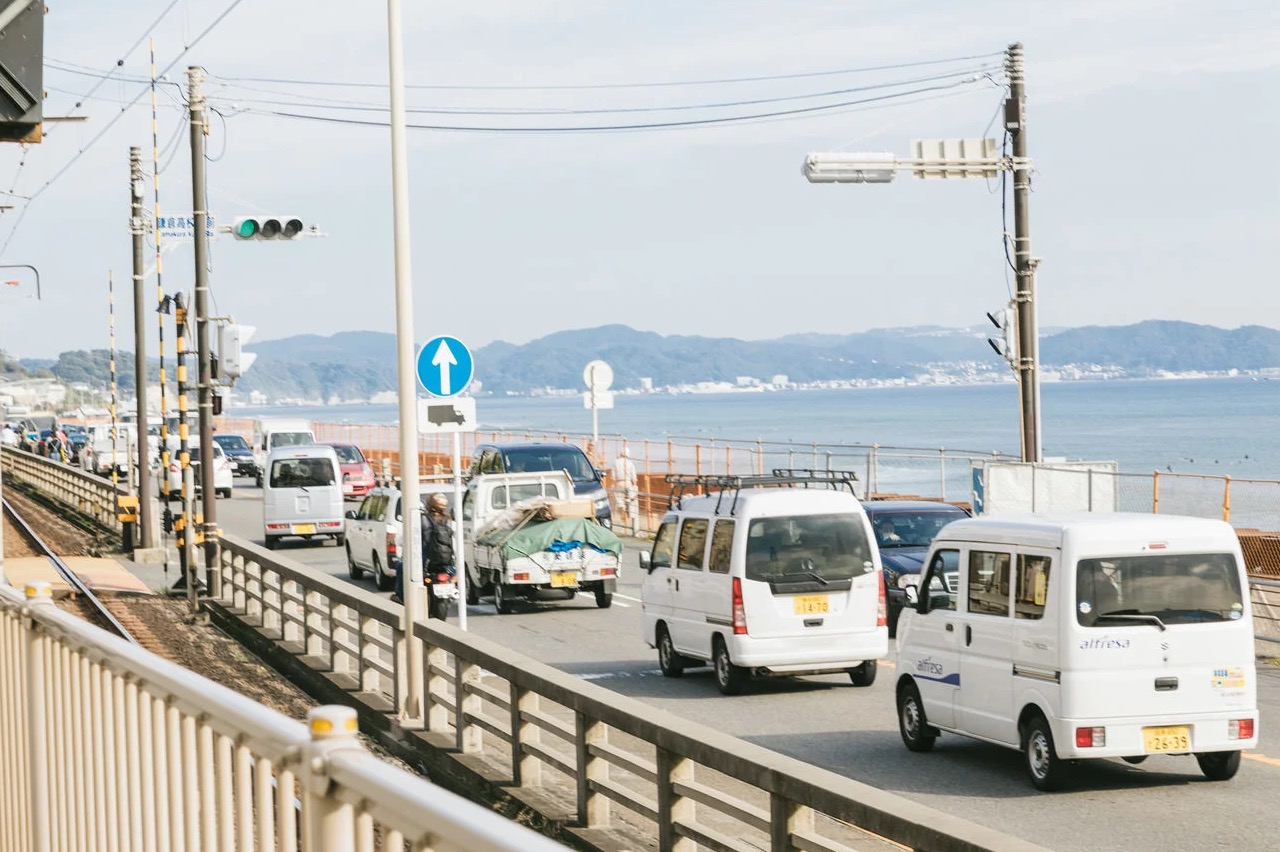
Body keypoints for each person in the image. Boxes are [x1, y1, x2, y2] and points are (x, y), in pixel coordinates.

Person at [392, 492, 455, 605]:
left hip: (424, 563)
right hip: (446, 563)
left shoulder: (422, 520)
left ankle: (402, 598)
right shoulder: (448, 521)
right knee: (453, 574)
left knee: (400, 567)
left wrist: (398, 542)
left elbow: (406, 539)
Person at [613, 446, 639, 536]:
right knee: (629, 501)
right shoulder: (631, 463)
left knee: (620, 501)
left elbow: (613, 476)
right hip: (628, 483)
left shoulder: (616, 462)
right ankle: (628, 516)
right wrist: (635, 487)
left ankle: (623, 514)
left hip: (619, 482)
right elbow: (634, 478)